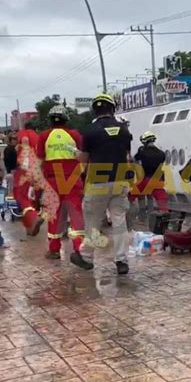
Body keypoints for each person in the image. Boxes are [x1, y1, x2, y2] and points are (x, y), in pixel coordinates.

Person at [78, 93, 133, 275]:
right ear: (112, 109)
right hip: (120, 181)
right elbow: (128, 157)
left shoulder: (90, 132)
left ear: (95, 110)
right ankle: (121, 261)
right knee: (119, 222)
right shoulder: (124, 130)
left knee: (93, 222)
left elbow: (84, 160)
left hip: (97, 182)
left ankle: (86, 257)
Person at [36, 105, 86, 266]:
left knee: (54, 216)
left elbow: (39, 161)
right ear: (66, 119)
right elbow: (83, 158)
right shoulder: (75, 135)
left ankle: (54, 249)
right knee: (76, 213)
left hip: (52, 181)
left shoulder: (43, 136)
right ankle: (79, 249)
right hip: (72, 180)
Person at [129, 131, 168, 214]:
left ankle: (129, 213)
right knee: (161, 200)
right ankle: (164, 216)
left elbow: (134, 160)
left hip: (145, 179)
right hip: (158, 180)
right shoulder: (161, 154)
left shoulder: (142, 152)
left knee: (131, 196)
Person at [14, 122, 43, 235]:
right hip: (37, 170)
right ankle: (30, 228)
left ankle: (34, 218)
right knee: (33, 198)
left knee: (21, 196)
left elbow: (25, 141)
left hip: (25, 169)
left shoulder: (24, 133)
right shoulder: (38, 137)